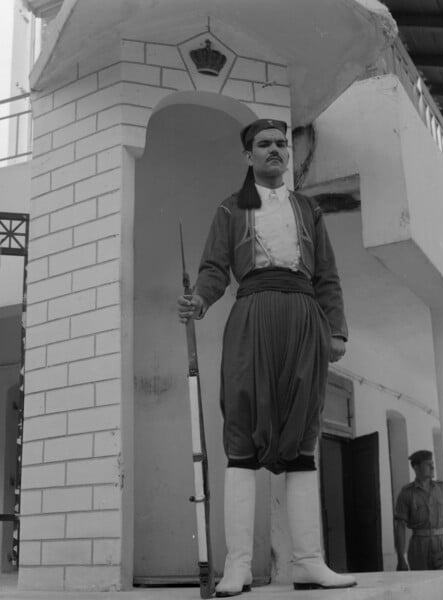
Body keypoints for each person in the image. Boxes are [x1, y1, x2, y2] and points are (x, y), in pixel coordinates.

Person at [177, 118, 355, 596]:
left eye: (281, 144)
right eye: (264, 144)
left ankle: (308, 562)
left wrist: (335, 331)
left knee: (302, 436)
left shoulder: (308, 209)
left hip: (303, 320)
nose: (276, 150)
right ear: (248, 156)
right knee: (241, 430)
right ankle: (236, 567)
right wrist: (200, 300)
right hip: (251, 317)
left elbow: (328, 275)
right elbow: (214, 268)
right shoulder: (230, 208)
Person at [394, 450, 443, 571]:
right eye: (427, 464)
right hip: (419, 547)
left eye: (432, 463)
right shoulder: (407, 493)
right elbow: (400, 527)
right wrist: (400, 558)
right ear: (416, 467)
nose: (432, 467)